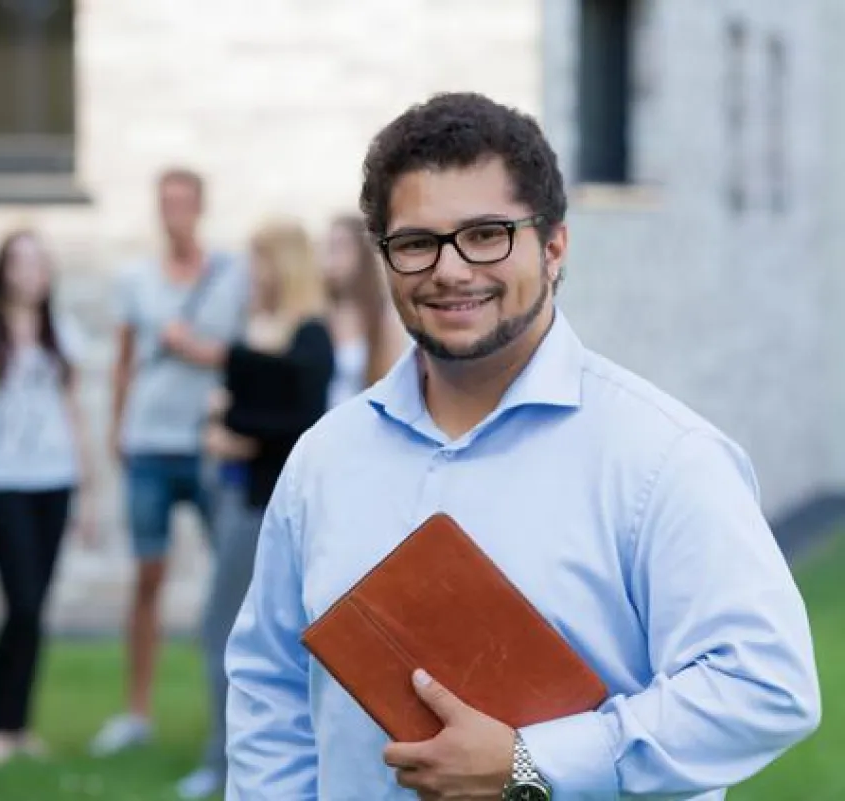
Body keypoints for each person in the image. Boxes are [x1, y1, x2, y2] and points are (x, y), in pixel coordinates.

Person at [223, 92, 820, 800]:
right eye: (417, 242)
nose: (449, 269)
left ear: (555, 245)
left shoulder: (662, 457)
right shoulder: (323, 460)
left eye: (486, 234)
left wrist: (531, 761)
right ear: (383, 258)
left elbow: (766, 684)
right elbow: (271, 686)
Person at [162, 219, 335, 799]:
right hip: (238, 496)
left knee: (225, 629)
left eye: (259, 262)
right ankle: (236, 755)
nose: (249, 275)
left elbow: (302, 422)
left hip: (267, 506)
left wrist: (234, 428)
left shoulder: (309, 335)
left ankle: (225, 760)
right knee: (237, 632)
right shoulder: (262, 329)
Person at [90, 167, 250, 756]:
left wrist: (198, 350)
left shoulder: (230, 276)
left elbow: (245, 354)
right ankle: (136, 711)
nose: (173, 212)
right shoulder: (136, 279)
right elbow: (124, 358)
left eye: (183, 201)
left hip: (207, 442)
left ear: (200, 206)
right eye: (164, 202)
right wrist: (115, 429)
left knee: (234, 582)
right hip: (149, 444)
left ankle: (237, 713)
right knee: (147, 575)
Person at [0, 229, 96, 765]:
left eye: (39, 261)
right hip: (1, 482)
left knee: (36, 609)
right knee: (21, 602)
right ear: (2, 269)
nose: (30, 271)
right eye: (19, 261)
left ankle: (20, 727)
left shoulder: (64, 333)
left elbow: (74, 413)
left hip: (53, 481)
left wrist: (88, 491)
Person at [321, 214, 406, 406]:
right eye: (328, 248)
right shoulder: (320, 314)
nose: (331, 259)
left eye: (340, 247)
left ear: (361, 252)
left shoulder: (382, 317)